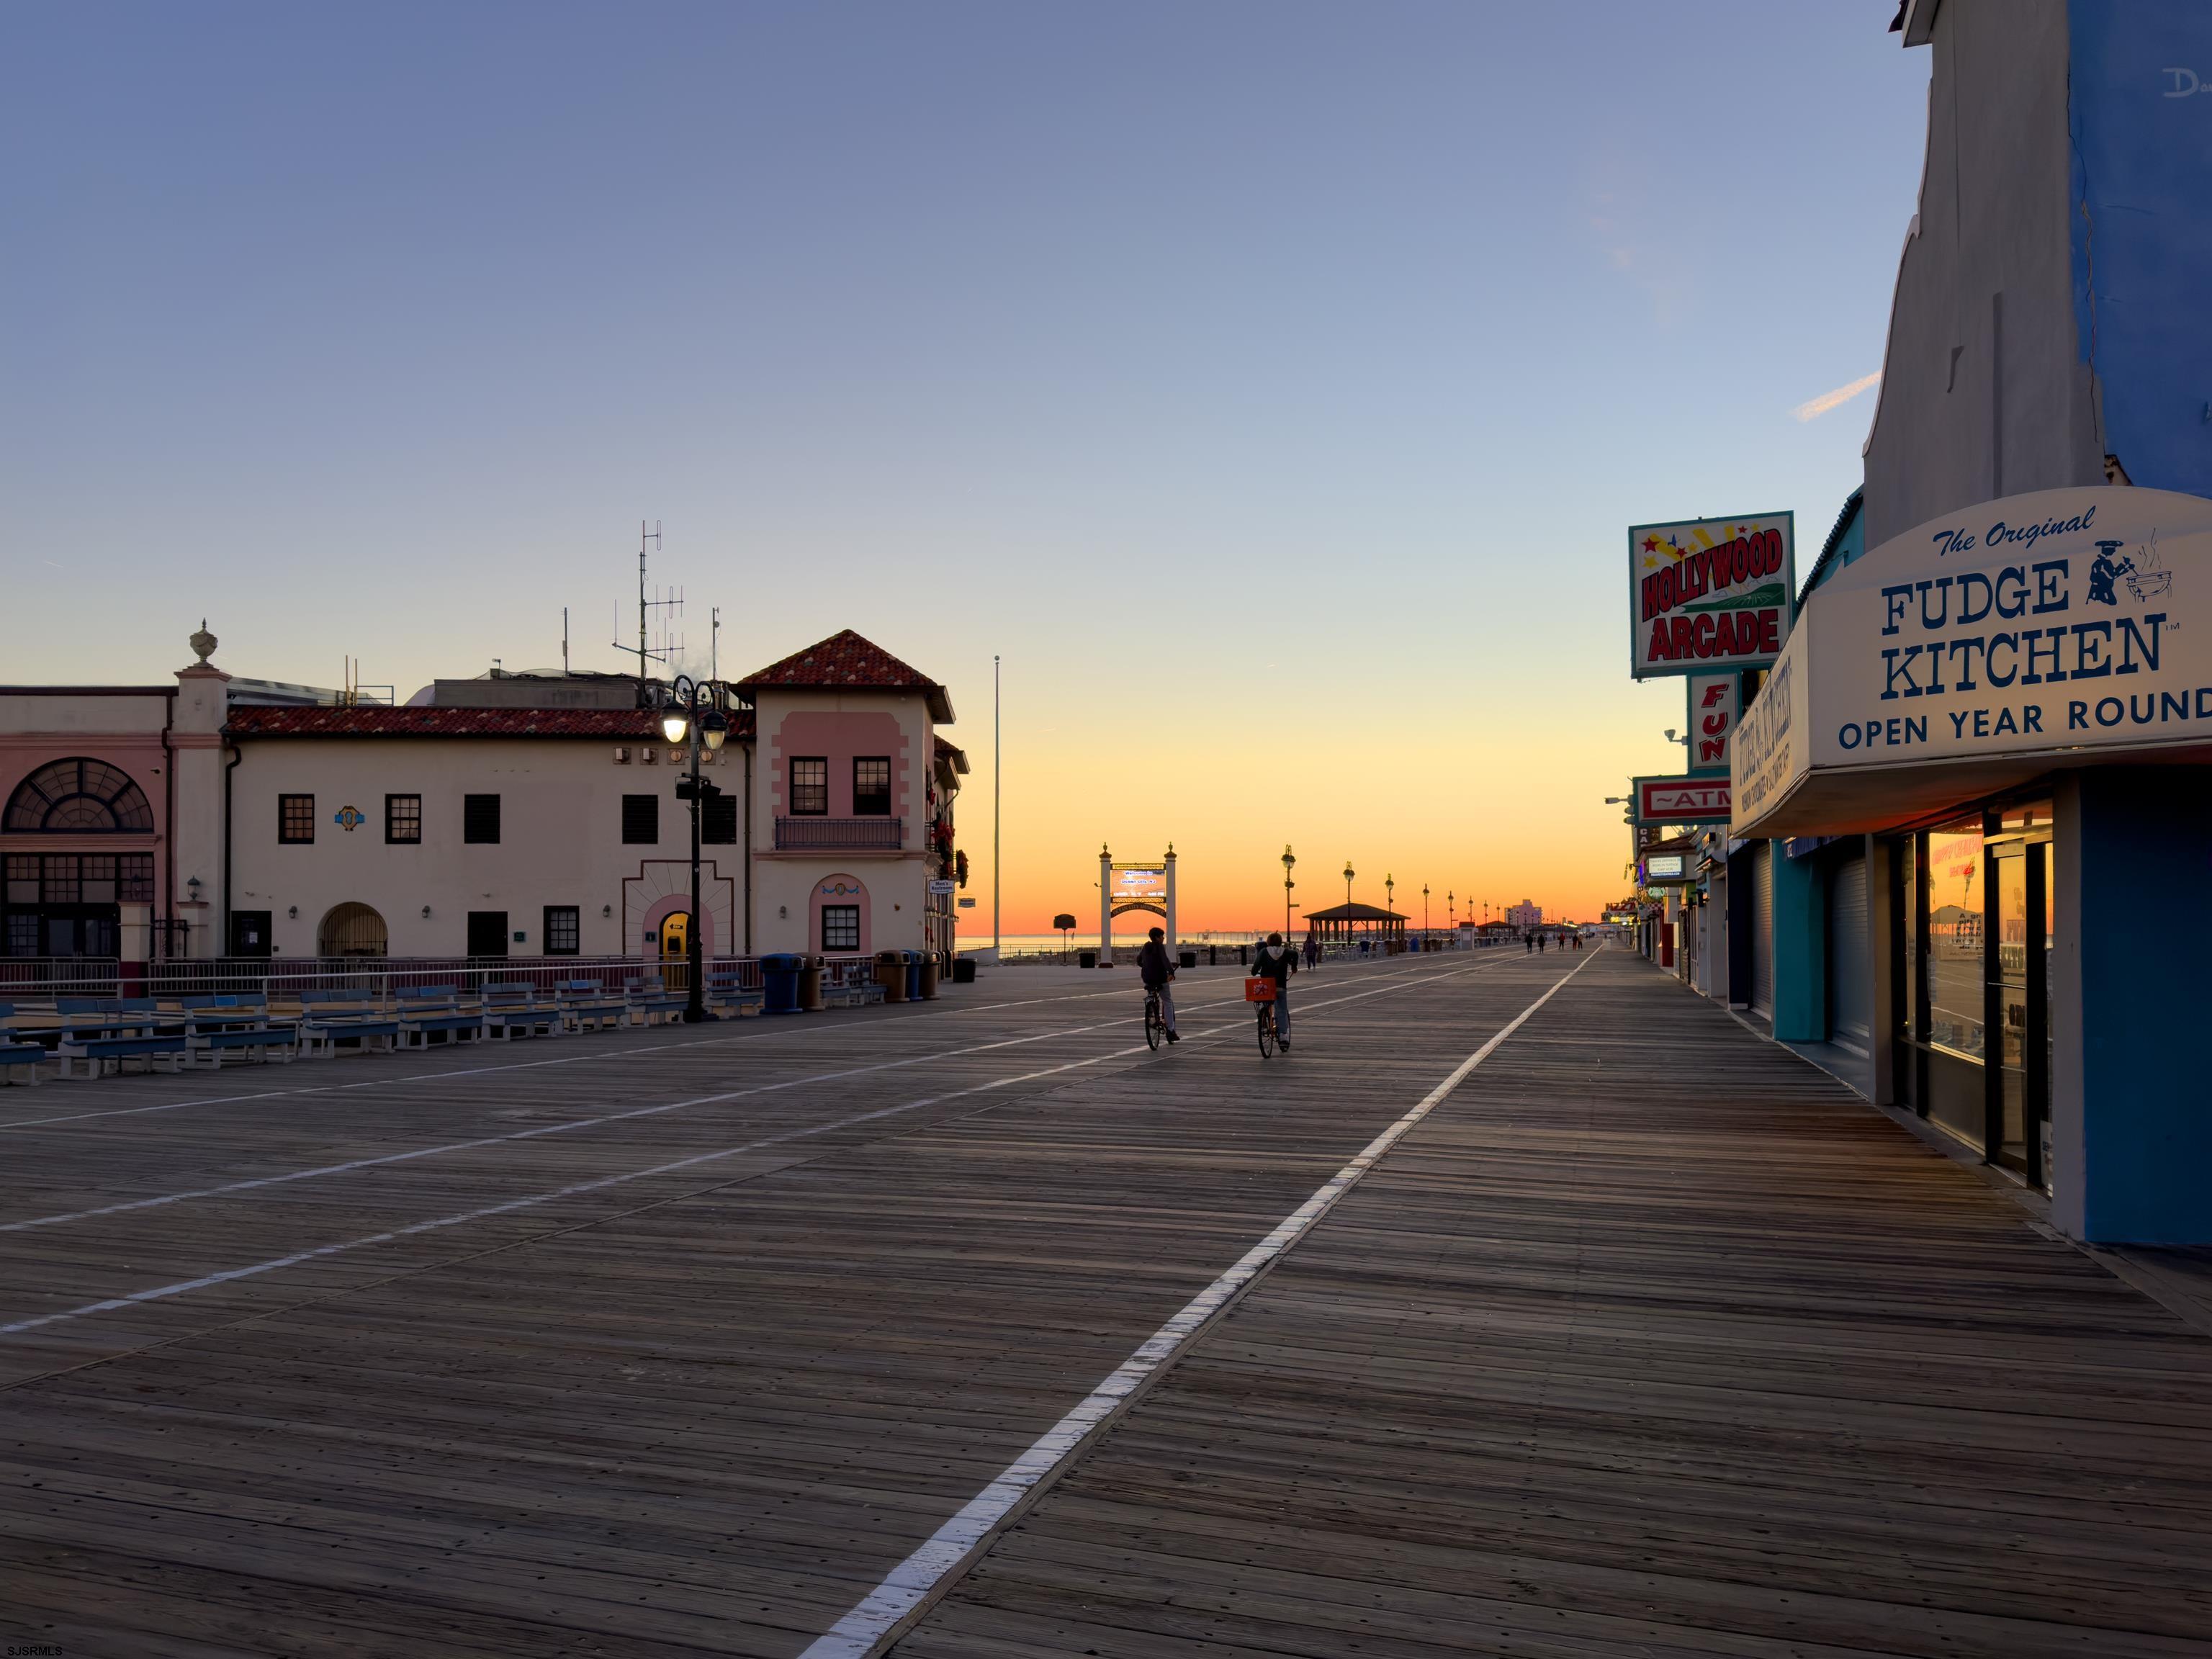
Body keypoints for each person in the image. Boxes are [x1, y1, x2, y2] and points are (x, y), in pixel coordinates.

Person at [1253, 930, 1295, 1049]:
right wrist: (1294, 966)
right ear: (1280, 942)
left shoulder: (1263, 952)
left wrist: (1254, 972)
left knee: (1264, 1003)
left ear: (1269, 942)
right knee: (1281, 1009)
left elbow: (1255, 967)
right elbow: (1295, 954)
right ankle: (1283, 1037)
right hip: (1280, 985)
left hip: (1266, 986)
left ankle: (1264, 1023)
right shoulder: (1286, 952)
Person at [1136, 925, 1178, 1043]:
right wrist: (1171, 972)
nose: (1163, 938)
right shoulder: (1159, 946)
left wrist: (1146, 967)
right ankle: (1170, 1030)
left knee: (1152, 995)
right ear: (1157, 937)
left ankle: (1152, 1012)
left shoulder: (1146, 946)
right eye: (1162, 936)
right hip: (1160, 978)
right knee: (1167, 1001)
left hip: (1147, 978)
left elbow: (1138, 960)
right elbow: (1165, 960)